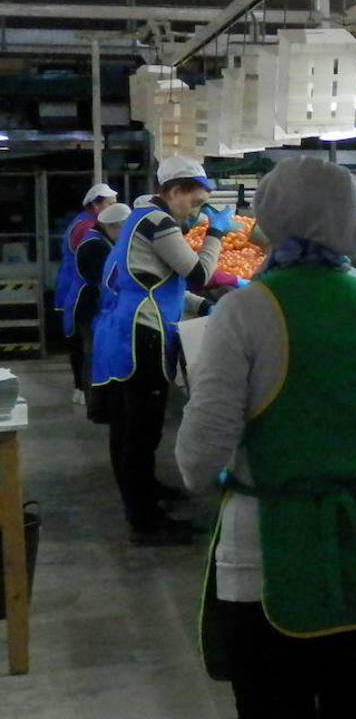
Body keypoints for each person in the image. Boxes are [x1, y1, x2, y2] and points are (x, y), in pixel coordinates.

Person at [176, 157, 356, 719]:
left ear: (270, 215)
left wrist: (230, 477)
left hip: (271, 555)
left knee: (274, 704)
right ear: (354, 221)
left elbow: (199, 458)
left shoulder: (245, 310)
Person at [90, 157, 236, 546]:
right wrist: (215, 234)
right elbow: (200, 274)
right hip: (143, 333)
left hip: (131, 327)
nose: (198, 211)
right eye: (195, 202)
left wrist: (200, 307)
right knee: (141, 428)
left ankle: (144, 495)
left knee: (131, 426)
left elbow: (160, 280)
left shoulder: (142, 220)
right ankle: (145, 522)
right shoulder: (157, 221)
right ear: (173, 192)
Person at [64, 203, 131, 410]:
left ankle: (94, 397)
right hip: (88, 305)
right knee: (91, 352)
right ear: (113, 227)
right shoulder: (94, 244)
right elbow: (103, 278)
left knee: (94, 351)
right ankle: (93, 400)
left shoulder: (99, 239)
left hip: (94, 305)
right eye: (124, 230)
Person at [56, 182, 118, 405]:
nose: (113, 208)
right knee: (85, 345)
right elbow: (97, 271)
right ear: (95, 205)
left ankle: (84, 390)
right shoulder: (87, 230)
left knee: (84, 344)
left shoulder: (90, 225)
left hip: (78, 289)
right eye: (109, 204)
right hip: (79, 292)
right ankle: (85, 391)